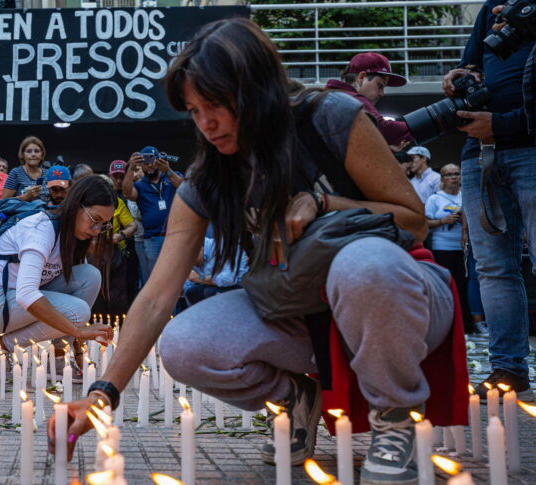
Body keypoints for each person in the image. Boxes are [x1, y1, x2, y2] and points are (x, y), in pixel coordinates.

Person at [51, 19, 467, 485]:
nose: (205, 124)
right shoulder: (208, 178)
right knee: (186, 344)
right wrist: (103, 393)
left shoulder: (328, 118)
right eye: (193, 111)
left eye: (215, 105)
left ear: (256, 91)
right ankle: (295, 396)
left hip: (395, 293)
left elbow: (411, 220)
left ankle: (395, 417)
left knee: (360, 263)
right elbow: (156, 297)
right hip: (298, 306)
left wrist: (326, 203)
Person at [452, 1, 535, 397]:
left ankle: (511, 367)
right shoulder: (492, 6)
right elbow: (472, 63)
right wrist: (458, 77)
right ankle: (508, 370)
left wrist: (501, 124)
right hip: (479, 150)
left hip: (528, 148)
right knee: (492, 268)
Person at [0, 176, 114, 355]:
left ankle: (60, 354)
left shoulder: (72, 235)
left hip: (11, 301)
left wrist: (76, 339)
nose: (97, 230)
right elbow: (27, 294)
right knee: (78, 312)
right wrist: (78, 330)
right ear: (76, 205)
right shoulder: (41, 229)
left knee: (90, 275)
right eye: (94, 219)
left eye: (103, 225)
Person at [325, 52, 413, 149]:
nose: (382, 93)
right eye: (379, 86)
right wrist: (428, 123)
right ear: (361, 77)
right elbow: (383, 129)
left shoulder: (333, 95)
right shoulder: (351, 98)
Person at [121, 146, 183, 283]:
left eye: (152, 161)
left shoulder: (170, 177)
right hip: (152, 239)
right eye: (144, 162)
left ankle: (177, 305)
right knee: (155, 280)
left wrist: (167, 170)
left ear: (158, 160)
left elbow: (186, 189)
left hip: (173, 236)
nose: (149, 165)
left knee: (175, 277)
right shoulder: (140, 185)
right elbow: (126, 193)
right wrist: (131, 167)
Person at [425, 164, 471, 329]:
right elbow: (424, 222)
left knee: (462, 286)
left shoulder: (464, 196)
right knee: (445, 285)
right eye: (449, 174)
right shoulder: (435, 199)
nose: (453, 177)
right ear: (442, 178)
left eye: (456, 174)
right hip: (442, 246)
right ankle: (445, 323)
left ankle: (464, 323)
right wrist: (442, 221)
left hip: (463, 247)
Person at [92, 174, 138, 316]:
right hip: (93, 251)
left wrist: (121, 235)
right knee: (96, 290)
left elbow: (132, 226)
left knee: (117, 291)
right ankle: (96, 324)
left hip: (114, 252)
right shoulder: (89, 204)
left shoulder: (118, 203)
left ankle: (117, 325)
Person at [2, 136, 47, 202]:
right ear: (22, 155)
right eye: (29, 151)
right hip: (23, 212)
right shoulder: (16, 173)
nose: (33, 154)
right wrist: (24, 197)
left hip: (46, 212)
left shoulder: (48, 173)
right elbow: (4, 202)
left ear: (42, 154)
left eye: (37, 151)